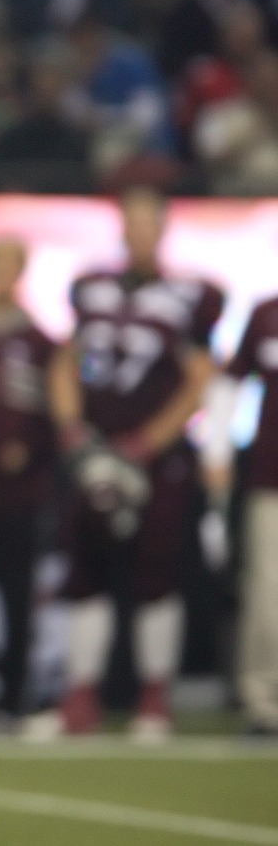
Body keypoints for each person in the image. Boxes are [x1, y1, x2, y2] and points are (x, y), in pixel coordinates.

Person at [41, 185, 222, 740]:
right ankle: (81, 696)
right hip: (96, 449)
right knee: (84, 572)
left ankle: (154, 700)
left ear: (162, 229)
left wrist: (148, 443)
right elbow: (66, 361)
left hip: (155, 456)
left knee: (156, 575)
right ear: (122, 228)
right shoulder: (90, 286)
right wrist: (75, 432)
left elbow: (199, 378)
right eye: (132, 222)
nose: (139, 232)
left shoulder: (194, 294)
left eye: (150, 223)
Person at [0, 235, 59, 723]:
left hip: (24, 493)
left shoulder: (41, 342)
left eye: (11, 264)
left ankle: (17, 693)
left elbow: (55, 409)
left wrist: (31, 449)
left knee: (20, 593)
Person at [201, 294, 278, 737]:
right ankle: (264, 700)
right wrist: (216, 450)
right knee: (267, 590)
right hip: (271, 476)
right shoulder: (268, 313)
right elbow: (230, 382)